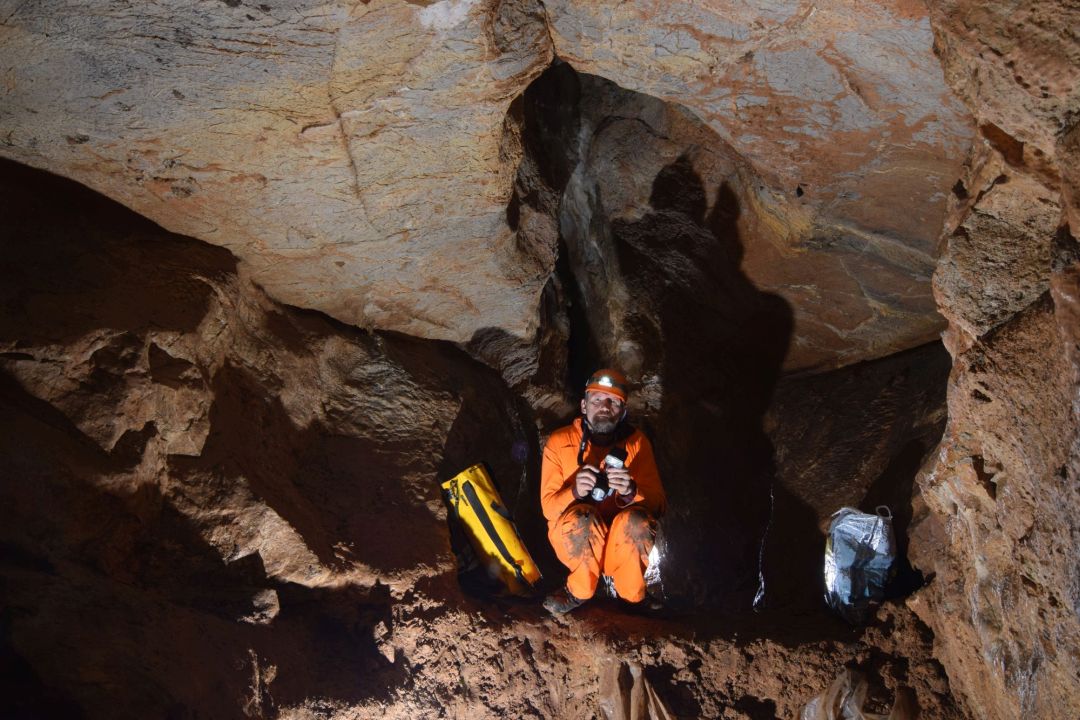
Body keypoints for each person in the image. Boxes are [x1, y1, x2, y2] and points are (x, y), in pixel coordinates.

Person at [540, 368, 666, 615]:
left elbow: (659, 504)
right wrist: (574, 491)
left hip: (619, 546)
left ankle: (632, 596)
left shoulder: (637, 444)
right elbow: (548, 509)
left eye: (613, 402)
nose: (605, 406)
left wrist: (631, 491)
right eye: (597, 399)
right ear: (584, 406)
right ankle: (578, 591)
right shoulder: (559, 442)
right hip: (576, 539)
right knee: (583, 515)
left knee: (637, 520)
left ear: (623, 411)